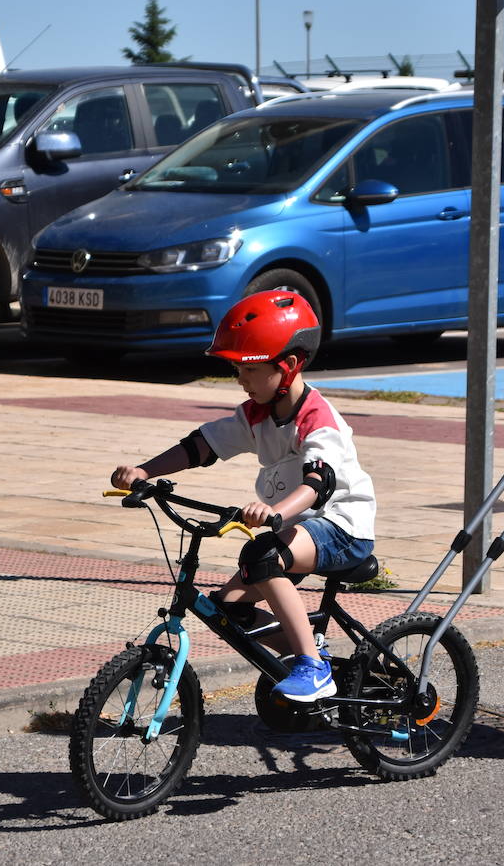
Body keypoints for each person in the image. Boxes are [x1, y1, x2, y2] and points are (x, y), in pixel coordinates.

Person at [110, 290, 376, 702]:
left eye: (249, 369)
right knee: (227, 609)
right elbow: (202, 446)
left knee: (263, 556)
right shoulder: (256, 413)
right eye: (237, 369)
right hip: (295, 529)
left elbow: (317, 483)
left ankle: (313, 668)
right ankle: (306, 651)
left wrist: (274, 513)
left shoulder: (318, 420)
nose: (241, 379)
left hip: (341, 527)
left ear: (287, 366)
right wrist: (146, 471)